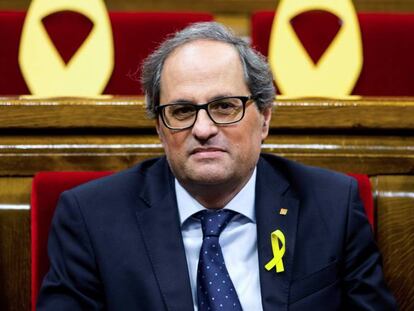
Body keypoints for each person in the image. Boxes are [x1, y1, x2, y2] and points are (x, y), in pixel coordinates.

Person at [37, 22, 397, 310]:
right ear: (159, 128)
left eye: (225, 107)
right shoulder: (92, 216)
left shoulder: (331, 205)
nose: (204, 129)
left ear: (265, 119)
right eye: (182, 111)